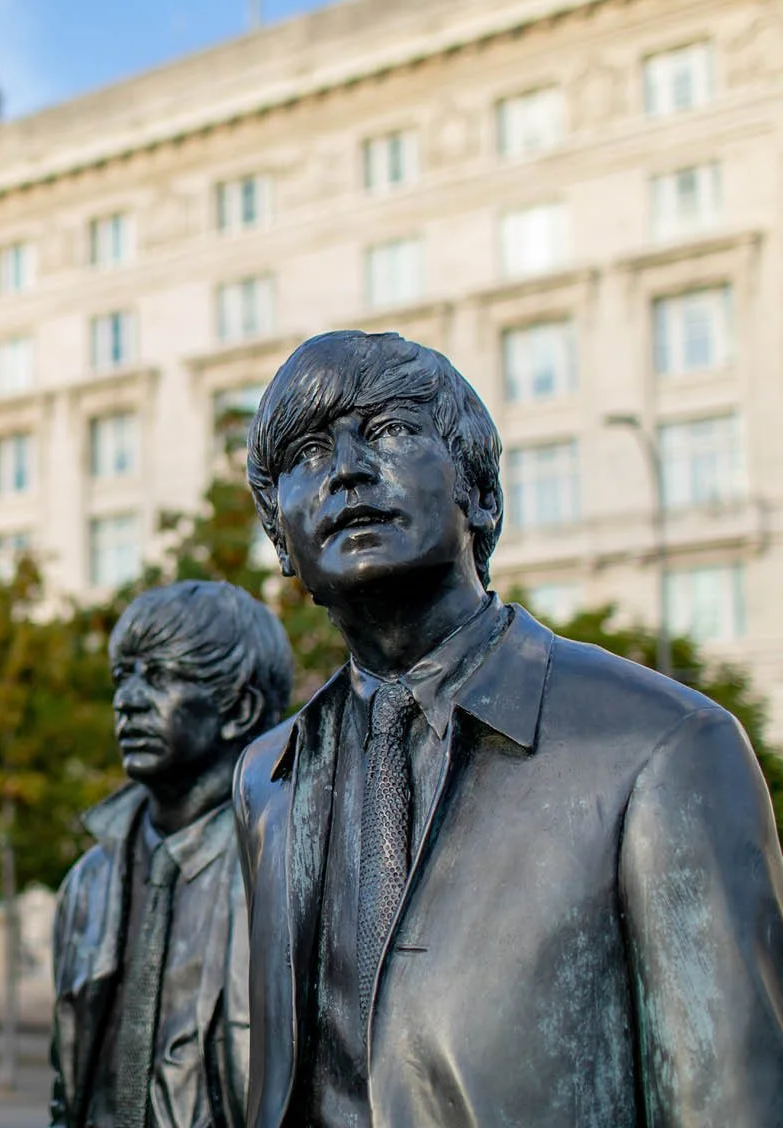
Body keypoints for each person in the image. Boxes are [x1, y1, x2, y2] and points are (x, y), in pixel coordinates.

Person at [232, 330, 783, 1127]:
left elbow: (729, 1102)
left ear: (481, 494)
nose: (346, 469)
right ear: (281, 540)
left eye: (390, 431)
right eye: (309, 452)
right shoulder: (268, 778)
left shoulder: (665, 748)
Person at [50, 580, 293, 1128]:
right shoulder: (88, 883)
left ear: (241, 707)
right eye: (122, 677)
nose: (127, 700)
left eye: (159, 677)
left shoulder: (294, 867)